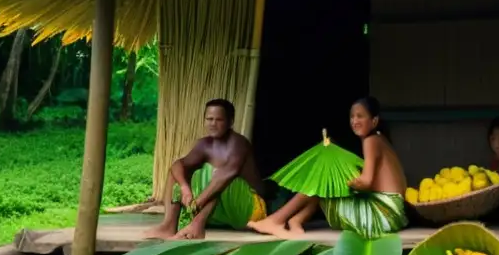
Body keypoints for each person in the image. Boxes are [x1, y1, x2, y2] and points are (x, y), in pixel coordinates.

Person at [249, 96, 408, 239]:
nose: (354, 121)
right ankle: (295, 221)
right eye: (352, 116)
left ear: (374, 121)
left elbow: (366, 182)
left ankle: (276, 220)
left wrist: (342, 179)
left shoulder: (371, 141)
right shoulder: (381, 140)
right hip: (395, 213)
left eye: (360, 116)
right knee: (326, 181)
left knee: (325, 180)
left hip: (382, 215)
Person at [145, 99, 267, 240]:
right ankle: (168, 225)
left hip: (250, 211)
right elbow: (178, 165)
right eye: (209, 119)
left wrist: (197, 203)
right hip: (221, 213)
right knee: (177, 172)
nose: (213, 124)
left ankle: (197, 226)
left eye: (219, 120)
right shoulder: (204, 144)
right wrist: (185, 187)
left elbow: (226, 174)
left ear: (230, 122)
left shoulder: (238, 143)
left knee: (218, 173)